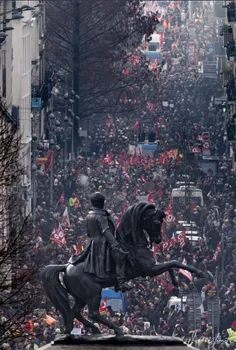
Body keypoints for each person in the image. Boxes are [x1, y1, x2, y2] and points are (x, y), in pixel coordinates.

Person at [84, 192, 132, 292]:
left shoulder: (89, 215)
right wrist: (115, 244)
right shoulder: (101, 216)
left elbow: (88, 233)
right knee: (120, 256)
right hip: (103, 244)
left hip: (92, 243)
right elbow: (106, 231)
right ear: (102, 203)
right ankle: (121, 283)